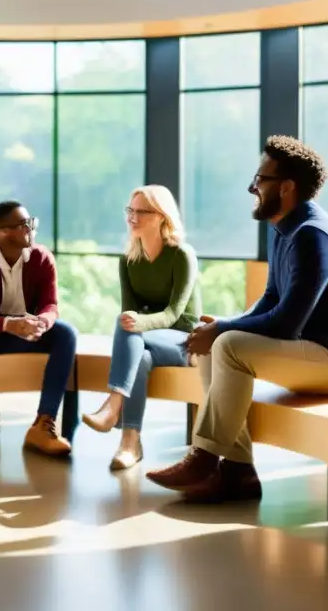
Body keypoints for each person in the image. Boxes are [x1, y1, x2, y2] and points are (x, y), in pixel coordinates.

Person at [146, 135, 328, 501]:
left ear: (287, 187)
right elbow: (271, 299)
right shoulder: (284, 228)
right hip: (318, 352)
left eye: (260, 179)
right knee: (217, 342)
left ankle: (206, 456)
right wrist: (224, 324)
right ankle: (237, 470)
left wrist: (226, 329)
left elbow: (287, 323)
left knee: (225, 342)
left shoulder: (312, 236)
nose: (253, 187)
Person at [82, 185, 201, 470]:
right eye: (130, 211)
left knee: (129, 327)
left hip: (185, 339)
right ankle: (129, 443)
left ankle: (113, 405)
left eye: (142, 212)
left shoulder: (182, 255)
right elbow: (128, 310)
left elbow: (175, 314)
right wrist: (136, 323)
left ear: (162, 216)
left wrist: (139, 323)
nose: (132, 217)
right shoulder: (128, 260)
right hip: (145, 339)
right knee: (140, 356)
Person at [0, 201, 77, 456]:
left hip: (29, 329)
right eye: (24, 225)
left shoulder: (41, 256)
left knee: (66, 334)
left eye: (31, 222)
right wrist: (8, 324)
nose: (31, 229)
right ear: (3, 232)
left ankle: (44, 422)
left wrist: (43, 322)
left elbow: (50, 304)